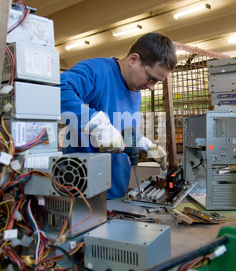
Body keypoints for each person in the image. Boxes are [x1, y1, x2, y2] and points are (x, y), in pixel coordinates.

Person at [59, 32, 177, 199]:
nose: (151, 87)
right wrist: (98, 125)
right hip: (84, 193)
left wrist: (146, 144)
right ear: (133, 60)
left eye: (156, 82)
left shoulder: (135, 88)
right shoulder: (97, 71)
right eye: (151, 78)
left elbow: (121, 131)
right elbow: (58, 88)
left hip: (116, 191)